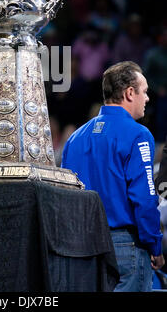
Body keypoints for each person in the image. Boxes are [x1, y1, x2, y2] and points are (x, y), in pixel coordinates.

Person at [61, 61, 164, 292]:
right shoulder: (138, 134)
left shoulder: (74, 139)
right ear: (130, 93)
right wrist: (155, 245)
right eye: (145, 91)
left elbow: (65, 197)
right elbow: (145, 198)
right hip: (125, 247)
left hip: (81, 248)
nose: (147, 98)